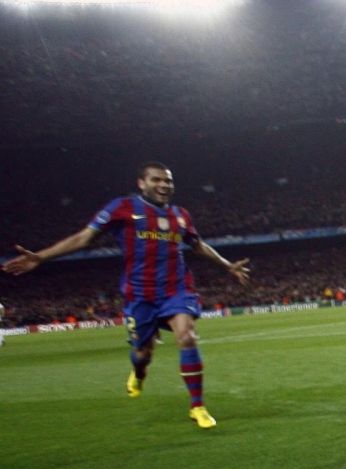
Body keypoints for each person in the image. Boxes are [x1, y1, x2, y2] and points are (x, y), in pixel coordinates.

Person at [2, 161, 251, 429]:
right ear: (141, 183)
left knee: (187, 336)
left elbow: (198, 245)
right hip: (139, 295)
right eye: (157, 180)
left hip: (176, 289)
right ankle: (140, 372)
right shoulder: (122, 208)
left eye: (168, 181)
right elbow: (84, 238)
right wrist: (41, 257)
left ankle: (197, 406)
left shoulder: (181, 215)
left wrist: (227, 265)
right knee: (143, 353)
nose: (164, 185)